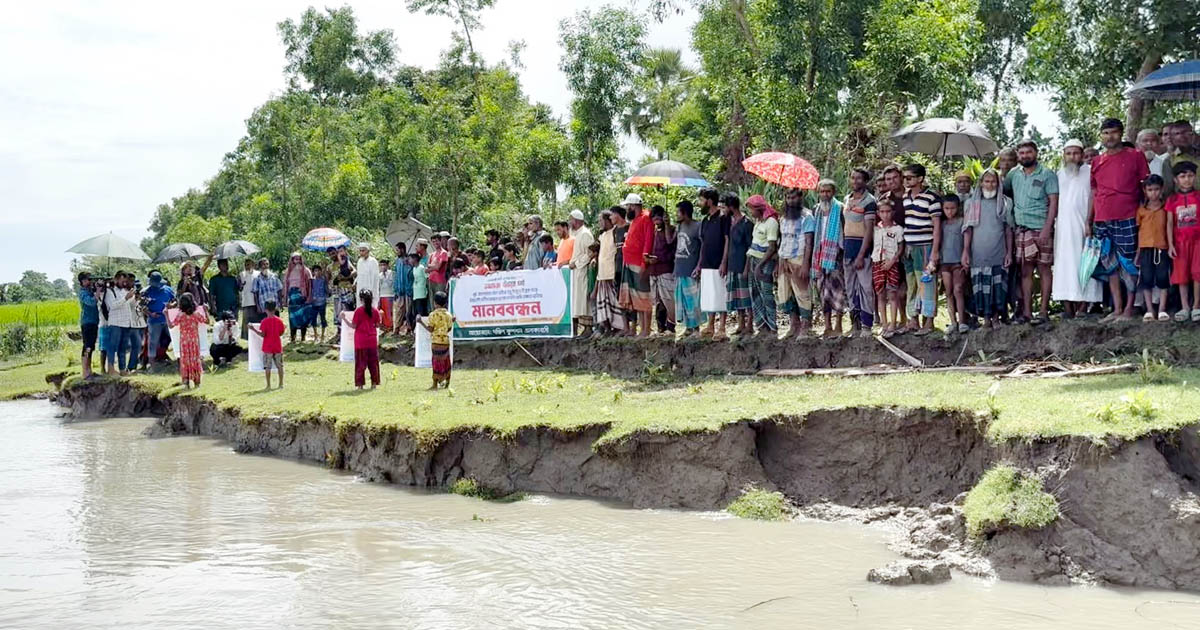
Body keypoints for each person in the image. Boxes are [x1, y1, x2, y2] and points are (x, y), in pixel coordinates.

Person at [1089, 118, 1149, 321]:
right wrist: (1090, 220)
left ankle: (1129, 309)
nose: (1110, 137)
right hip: (1102, 219)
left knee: (1129, 263)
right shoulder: (1097, 161)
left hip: (1128, 215)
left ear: (1121, 133)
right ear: (1101, 136)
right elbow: (1094, 192)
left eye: (1113, 132)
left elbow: (1145, 187)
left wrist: (1145, 215)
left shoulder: (1135, 155)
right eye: (1106, 133)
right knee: (1110, 264)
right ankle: (1116, 308)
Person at [1007, 139, 1059, 325]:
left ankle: (1043, 312)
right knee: (1025, 271)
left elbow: (1054, 202)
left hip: (1041, 228)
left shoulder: (1047, 174)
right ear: (1018, 155)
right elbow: (1004, 193)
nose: (1025, 156)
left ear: (1036, 153)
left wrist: (1047, 228)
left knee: (1044, 268)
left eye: (1028, 152)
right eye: (1021, 153)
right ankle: (1027, 313)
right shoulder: (1014, 175)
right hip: (1022, 230)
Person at [1052, 140, 1102, 316]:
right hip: (1063, 229)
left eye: (1076, 153)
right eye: (1069, 153)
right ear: (1064, 155)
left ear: (1081, 155)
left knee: (1085, 263)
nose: (1072, 157)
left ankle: (1083, 306)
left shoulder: (1090, 172)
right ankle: (1068, 307)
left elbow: (1094, 198)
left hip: (1084, 226)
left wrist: (1089, 221)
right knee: (1065, 265)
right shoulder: (1058, 175)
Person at [963, 169, 1015, 328]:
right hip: (978, 253)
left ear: (998, 184)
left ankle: (996, 318)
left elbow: (1008, 229)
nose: (990, 185)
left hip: (999, 252)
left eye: (993, 182)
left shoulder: (1005, 203)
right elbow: (968, 230)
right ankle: (985, 319)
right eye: (987, 181)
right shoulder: (971, 203)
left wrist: (1009, 253)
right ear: (981, 183)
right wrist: (965, 251)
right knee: (980, 288)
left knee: (997, 288)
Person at [901, 164, 943, 335]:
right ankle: (913, 318)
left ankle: (929, 320)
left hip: (925, 245)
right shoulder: (905, 197)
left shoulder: (931, 198)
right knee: (911, 283)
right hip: (909, 245)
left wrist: (935, 252)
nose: (906, 180)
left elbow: (937, 226)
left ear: (920, 178)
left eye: (909, 177)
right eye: (904, 177)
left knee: (926, 283)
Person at [843, 168, 878, 336]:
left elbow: (869, 231)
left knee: (865, 288)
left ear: (865, 181)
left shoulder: (870, 201)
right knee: (850, 288)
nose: (855, 181)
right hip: (848, 249)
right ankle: (854, 325)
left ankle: (867, 326)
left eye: (859, 178)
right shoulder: (847, 199)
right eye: (853, 177)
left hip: (862, 251)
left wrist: (861, 255)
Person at [778, 188, 816, 338]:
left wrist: (806, 264)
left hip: (799, 258)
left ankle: (806, 327)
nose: (790, 201)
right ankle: (794, 325)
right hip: (784, 259)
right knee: (785, 293)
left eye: (793, 198)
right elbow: (783, 240)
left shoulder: (807, 217)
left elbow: (809, 242)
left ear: (800, 198)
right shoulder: (783, 218)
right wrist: (781, 260)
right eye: (788, 198)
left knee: (802, 293)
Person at [812, 180, 846, 337]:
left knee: (838, 289)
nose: (825, 194)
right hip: (819, 255)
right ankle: (827, 326)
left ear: (833, 192)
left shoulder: (840, 209)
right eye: (822, 191)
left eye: (828, 191)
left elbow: (844, 231)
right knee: (822, 290)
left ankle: (839, 324)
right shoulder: (816, 210)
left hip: (836, 254)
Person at [1136, 174, 1171, 321]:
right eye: (1150, 190)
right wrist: (1138, 252)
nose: (1153, 193)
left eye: (1156, 189)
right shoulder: (1141, 210)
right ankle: (1149, 310)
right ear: (1145, 191)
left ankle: (1162, 309)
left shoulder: (1166, 208)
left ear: (1161, 189)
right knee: (1146, 278)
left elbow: (1169, 227)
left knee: (1163, 277)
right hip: (1145, 248)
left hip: (1162, 247)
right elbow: (1139, 231)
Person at [1167, 161, 1200, 321]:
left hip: (1198, 242)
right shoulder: (1172, 200)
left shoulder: (1198, 197)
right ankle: (1185, 306)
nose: (1187, 179)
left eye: (1190, 176)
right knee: (1181, 274)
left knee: (1197, 272)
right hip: (1180, 243)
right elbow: (1169, 223)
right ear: (1175, 179)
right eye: (1182, 176)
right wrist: (1170, 244)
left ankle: (1196, 307)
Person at [696, 188, 729, 339]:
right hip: (707, 263)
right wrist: (699, 264)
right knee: (709, 294)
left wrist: (724, 262)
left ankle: (722, 327)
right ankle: (710, 325)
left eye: (702, 200)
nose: (700, 203)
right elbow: (703, 243)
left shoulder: (723, 218)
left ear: (709, 201)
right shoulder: (705, 220)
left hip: (719, 263)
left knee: (721, 294)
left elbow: (727, 240)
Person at [620, 193, 655, 337]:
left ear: (634, 206)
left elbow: (648, 241)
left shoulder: (646, 218)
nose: (627, 209)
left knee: (643, 296)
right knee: (636, 299)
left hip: (639, 263)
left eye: (628, 206)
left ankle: (647, 329)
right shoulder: (635, 220)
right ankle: (642, 329)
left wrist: (643, 264)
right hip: (629, 262)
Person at [745, 194, 780, 337]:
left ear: (759, 208)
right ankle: (761, 325)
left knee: (766, 293)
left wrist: (760, 265)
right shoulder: (758, 222)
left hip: (765, 262)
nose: (750, 212)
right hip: (754, 259)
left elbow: (771, 248)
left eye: (751, 209)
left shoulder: (771, 222)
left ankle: (772, 326)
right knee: (755, 293)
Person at [872, 199, 905, 337]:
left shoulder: (898, 229)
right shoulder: (875, 229)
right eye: (882, 212)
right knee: (880, 293)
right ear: (878, 213)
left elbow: (901, 248)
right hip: (877, 263)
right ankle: (884, 324)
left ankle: (893, 324)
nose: (885, 215)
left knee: (892, 294)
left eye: (888, 211)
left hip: (892, 263)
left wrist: (892, 261)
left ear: (893, 212)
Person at [672, 200, 703, 336]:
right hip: (680, 268)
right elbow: (671, 241)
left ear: (685, 213)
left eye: (678, 212)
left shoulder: (698, 226)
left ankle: (696, 327)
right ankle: (688, 327)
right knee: (683, 300)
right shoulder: (679, 226)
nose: (676, 215)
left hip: (691, 269)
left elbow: (703, 247)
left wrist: (699, 265)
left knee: (693, 300)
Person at [723, 194, 753, 335]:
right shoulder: (729, 223)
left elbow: (750, 248)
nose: (724, 210)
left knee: (746, 296)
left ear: (731, 207)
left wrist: (747, 267)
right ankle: (741, 324)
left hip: (742, 264)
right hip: (732, 265)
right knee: (736, 296)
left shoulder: (746, 224)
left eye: (725, 207)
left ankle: (750, 323)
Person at [340, 289, 381, 390]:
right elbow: (377, 325)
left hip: (361, 342)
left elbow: (353, 325)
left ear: (361, 299)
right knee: (373, 364)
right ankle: (374, 383)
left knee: (360, 365)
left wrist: (344, 318)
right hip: (372, 341)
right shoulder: (375, 311)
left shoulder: (359, 311)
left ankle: (360, 385)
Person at [595, 209, 626, 336]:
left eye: (601, 220)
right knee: (604, 302)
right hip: (602, 274)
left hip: (612, 273)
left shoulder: (615, 232)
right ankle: (607, 327)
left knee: (614, 301)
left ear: (607, 220)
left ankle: (619, 327)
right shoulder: (601, 236)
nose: (599, 223)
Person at [939, 194, 968, 333]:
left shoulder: (962, 222)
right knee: (949, 292)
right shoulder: (942, 224)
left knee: (958, 289)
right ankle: (953, 322)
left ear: (958, 207)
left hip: (958, 262)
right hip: (945, 262)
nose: (949, 211)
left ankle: (962, 321)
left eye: (952, 208)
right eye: (946, 208)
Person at [647, 205, 677, 335]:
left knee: (669, 300)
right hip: (653, 270)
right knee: (658, 301)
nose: (656, 221)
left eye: (657, 219)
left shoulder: (672, 230)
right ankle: (661, 327)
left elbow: (672, 248)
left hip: (666, 269)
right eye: (654, 219)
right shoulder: (652, 232)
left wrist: (660, 259)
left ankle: (671, 326)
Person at [168, 293, 209, 389]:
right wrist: (206, 310)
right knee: (195, 359)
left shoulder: (180, 315)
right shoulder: (196, 314)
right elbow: (207, 321)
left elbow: (171, 325)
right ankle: (197, 382)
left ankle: (186, 382)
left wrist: (166, 314)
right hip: (194, 340)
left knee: (185, 360)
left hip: (184, 341)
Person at [418, 291, 455, 390]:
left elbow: (430, 329)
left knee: (436, 362)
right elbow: (449, 329)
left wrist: (420, 322)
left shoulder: (433, 315)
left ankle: (435, 384)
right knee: (446, 361)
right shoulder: (449, 315)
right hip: (445, 342)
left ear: (435, 303)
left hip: (436, 342)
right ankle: (447, 382)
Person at [567, 209, 595, 336]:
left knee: (584, 300)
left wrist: (577, 263)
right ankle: (584, 328)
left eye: (571, 220)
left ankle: (588, 328)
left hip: (583, 271)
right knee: (578, 300)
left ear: (577, 221)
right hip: (577, 272)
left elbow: (590, 253)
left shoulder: (585, 234)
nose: (570, 222)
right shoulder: (577, 234)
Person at [102, 271, 135, 375]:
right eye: (122, 281)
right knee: (112, 347)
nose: (124, 283)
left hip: (126, 323)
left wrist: (133, 297)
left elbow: (128, 304)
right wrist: (126, 298)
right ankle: (111, 368)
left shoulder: (124, 291)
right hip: (115, 323)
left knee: (123, 348)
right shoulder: (110, 291)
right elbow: (112, 306)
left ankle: (122, 369)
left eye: (125, 281)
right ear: (116, 279)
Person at [142, 271, 174, 367]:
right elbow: (142, 307)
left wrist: (171, 306)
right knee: (153, 342)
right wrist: (150, 314)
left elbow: (175, 301)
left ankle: (178, 359)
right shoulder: (146, 292)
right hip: (154, 321)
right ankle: (152, 363)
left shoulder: (168, 290)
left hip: (168, 319)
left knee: (173, 338)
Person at [252, 300, 285, 389]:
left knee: (267, 367)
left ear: (265, 310)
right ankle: (281, 384)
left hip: (267, 347)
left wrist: (253, 329)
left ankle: (268, 385)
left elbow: (263, 334)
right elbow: (281, 332)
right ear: (275, 309)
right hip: (277, 346)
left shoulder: (264, 322)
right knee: (280, 366)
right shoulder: (279, 321)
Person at [77, 272, 99, 379]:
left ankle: (89, 371)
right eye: (88, 280)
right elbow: (91, 302)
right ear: (82, 281)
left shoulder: (91, 291)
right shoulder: (83, 293)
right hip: (87, 322)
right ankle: (85, 372)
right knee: (87, 347)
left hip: (94, 321)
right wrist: (97, 292)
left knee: (91, 347)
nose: (90, 282)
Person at [207, 258, 239, 324]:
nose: (225, 266)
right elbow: (211, 294)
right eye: (222, 264)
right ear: (219, 266)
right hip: (221, 307)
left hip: (233, 307)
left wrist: (238, 304)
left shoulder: (233, 278)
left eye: (226, 264)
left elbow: (236, 292)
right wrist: (213, 306)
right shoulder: (214, 279)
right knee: (221, 326)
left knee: (233, 326)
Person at [392, 249, 414, 335]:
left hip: (408, 290)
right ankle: (396, 329)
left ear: (402, 250)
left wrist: (408, 264)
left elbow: (411, 275)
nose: (396, 251)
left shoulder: (409, 261)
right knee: (399, 310)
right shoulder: (397, 261)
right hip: (399, 290)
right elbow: (396, 275)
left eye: (397, 250)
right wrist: (395, 289)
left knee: (409, 311)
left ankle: (409, 329)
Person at [354, 243, 380, 308]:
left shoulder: (373, 261)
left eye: (363, 250)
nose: (361, 253)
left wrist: (371, 292)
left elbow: (375, 278)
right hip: (360, 288)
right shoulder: (359, 261)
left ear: (368, 251)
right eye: (360, 251)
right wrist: (355, 282)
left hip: (370, 288)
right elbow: (359, 274)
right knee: (360, 307)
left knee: (370, 307)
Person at [238, 258, 258, 339]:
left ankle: (257, 339)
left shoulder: (258, 274)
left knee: (256, 321)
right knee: (247, 322)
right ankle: (248, 340)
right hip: (246, 302)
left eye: (249, 264)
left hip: (256, 302)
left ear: (253, 265)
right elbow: (239, 288)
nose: (247, 266)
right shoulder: (241, 274)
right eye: (245, 265)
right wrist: (241, 285)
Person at [409, 252, 430, 323]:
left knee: (421, 311)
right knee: (416, 311)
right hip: (415, 292)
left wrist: (427, 289)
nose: (409, 261)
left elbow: (427, 278)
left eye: (410, 259)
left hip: (421, 292)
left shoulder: (422, 268)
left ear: (415, 259)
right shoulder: (414, 269)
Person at [310, 264, 329, 340]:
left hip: (322, 302)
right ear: (313, 272)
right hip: (314, 302)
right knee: (313, 318)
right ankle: (315, 334)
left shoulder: (324, 280)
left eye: (318, 270)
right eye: (315, 271)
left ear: (321, 271)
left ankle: (322, 335)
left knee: (323, 318)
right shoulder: (311, 281)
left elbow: (327, 289)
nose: (317, 272)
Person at [378, 259, 395, 332]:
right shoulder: (379, 275)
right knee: (384, 311)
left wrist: (385, 276)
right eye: (381, 265)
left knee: (389, 311)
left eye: (384, 265)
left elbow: (391, 284)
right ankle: (385, 325)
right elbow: (379, 286)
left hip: (390, 295)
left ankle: (391, 325)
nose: (383, 267)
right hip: (382, 295)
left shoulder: (391, 273)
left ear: (387, 266)